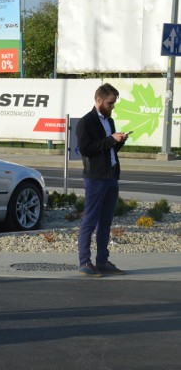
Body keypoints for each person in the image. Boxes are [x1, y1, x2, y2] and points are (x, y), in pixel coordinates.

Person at [76, 83, 129, 278]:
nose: (112, 106)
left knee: (105, 221)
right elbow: (86, 150)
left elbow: (109, 150)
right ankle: (84, 262)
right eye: (110, 102)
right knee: (89, 220)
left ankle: (102, 260)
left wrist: (118, 142)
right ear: (98, 99)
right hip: (96, 178)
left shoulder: (110, 121)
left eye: (114, 103)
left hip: (111, 176)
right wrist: (110, 140)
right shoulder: (86, 122)